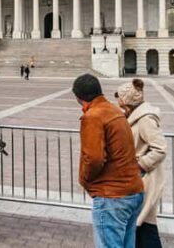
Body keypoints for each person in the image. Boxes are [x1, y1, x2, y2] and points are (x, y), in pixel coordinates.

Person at [72, 74, 144, 248]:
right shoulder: (114, 111)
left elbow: (94, 159)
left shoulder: (93, 116)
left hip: (112, 196)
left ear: (78, 97)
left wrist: (85, 180)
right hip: (133, 191)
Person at [115, 79, 167, 248]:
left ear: (129, 104)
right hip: (139, 179)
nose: (121, 108)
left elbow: (160, 149)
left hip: (145, 178)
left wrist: (138, 166)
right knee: (141, 225)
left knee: (143, 225)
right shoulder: (135, 117)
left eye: (122, 105)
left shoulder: (145, 120)